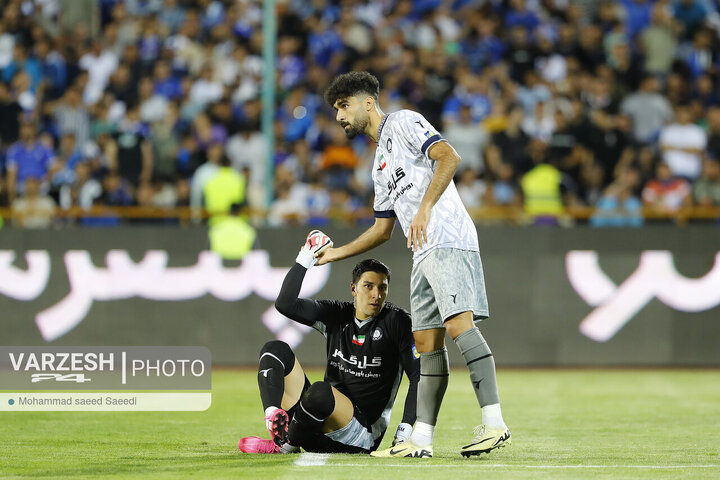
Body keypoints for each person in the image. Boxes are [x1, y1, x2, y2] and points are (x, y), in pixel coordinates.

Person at [318, 71, 510, 458]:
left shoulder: (404, 121)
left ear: (367, 102)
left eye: (344, 105)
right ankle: (421, 438)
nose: (339, 116)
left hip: (447, 237)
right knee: (425, 343)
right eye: (336, 109)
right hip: (421, 251)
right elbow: (382, 230)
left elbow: (448, 156)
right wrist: (337, 253)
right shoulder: (378, 164)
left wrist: (424, 208)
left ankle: (494, 423)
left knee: (459, 325)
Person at [238, 230, 419, 454]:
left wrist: (403, 433)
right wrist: (306, 257)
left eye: (383, 287)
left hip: (361, 433)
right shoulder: (337, 314)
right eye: (368, 286)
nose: (376, 294)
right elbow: (285, 304)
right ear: (353, 289)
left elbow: (418, 378)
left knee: (320, 392)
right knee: (275, 350)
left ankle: (285, 445)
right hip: (316, 418)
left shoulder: (398, 322)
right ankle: (274, 418)